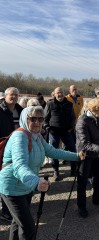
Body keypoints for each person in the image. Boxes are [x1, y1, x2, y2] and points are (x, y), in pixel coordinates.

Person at [0, 106, 85, 240]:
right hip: (12, 187)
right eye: (32, 119)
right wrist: (36, 182)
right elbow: (19, 165)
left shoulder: (37, 136)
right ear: (24, 119)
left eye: (40, 119)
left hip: (26, 186)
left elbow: (53, 151)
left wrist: (76, 156)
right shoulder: (20, 137)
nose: (37, 122)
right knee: (28, 228)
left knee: (18, 222)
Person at [76, 98, 99, 218]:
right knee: (82, 181)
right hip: (85, 155)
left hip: (98, 154)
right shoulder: (82, 121)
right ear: (95, 110)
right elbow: (85, 143)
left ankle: (97, 198)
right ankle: (81, 206)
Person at [44, 87, 77, 181]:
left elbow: (73, 117)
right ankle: (56, 171)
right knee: (54, 152)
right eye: (58, 93)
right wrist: (47, 128)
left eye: (61, 92)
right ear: (54, 94)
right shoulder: (50, 104)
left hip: (66, 131)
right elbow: (45, 118)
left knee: (73, 149)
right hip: (54, 132)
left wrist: (71, 128)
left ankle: (74, 169)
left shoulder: (69, 104)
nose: (60, 94)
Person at [0, 87, 23, 222]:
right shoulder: (0, 110)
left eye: (16, 95)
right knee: (5, 178)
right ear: (5, 96)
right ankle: (5, 211)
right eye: (11, 95)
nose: (13, 97)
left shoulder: (20, 110)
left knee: (15, 176)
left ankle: (12, 207)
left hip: (17, 147)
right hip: (3, 147)